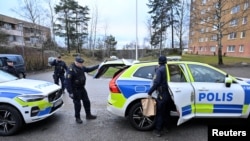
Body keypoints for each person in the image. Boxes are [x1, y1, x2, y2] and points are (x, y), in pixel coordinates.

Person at [65, 56, 99, 124]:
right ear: (76, 62)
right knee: (77, 104)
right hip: (75, 90)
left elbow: (88, 69)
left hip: (82, 88)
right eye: (80, 63)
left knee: (87, 101)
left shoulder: (82, 67)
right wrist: (70, 92)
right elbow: (67, 82)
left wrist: (97, 66)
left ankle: (88, 115)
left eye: (82, 63)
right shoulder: (71, 70)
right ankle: (77, 118)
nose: (82, 65)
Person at [147, 55, 171, 137]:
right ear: (166, 61)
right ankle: (166, 128)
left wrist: (149, 92)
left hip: (161, 94)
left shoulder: (159, 70)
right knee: (166, 112)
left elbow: (156, 83)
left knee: (160, 113)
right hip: (168, 93)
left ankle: (158, 130)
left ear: (159, 61)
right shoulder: (167, 69)